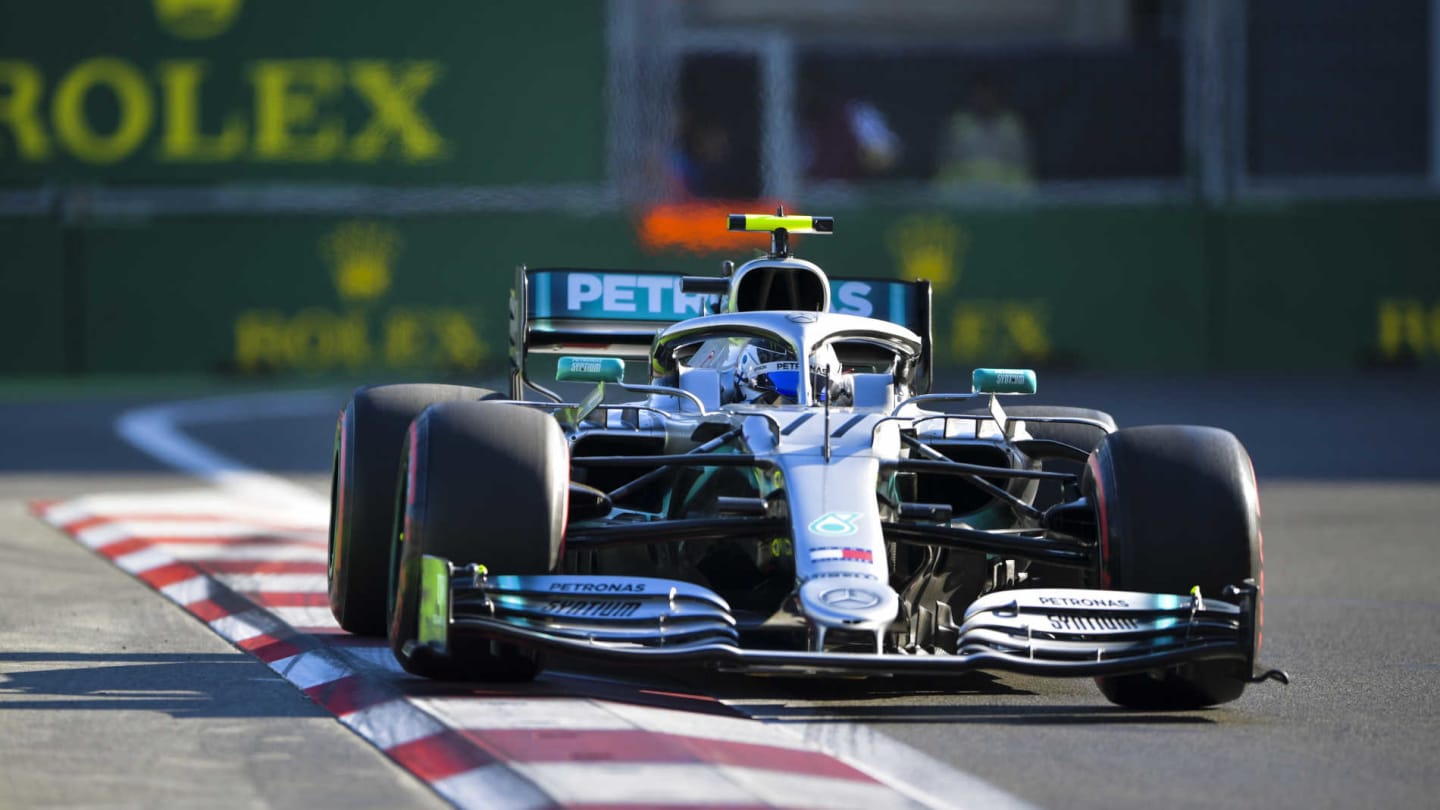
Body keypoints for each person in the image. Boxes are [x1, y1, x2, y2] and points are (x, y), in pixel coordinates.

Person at [934, 74, 1034, 190]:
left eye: (988, 94)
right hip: (962, 198)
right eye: (979, 94)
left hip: (1006, 199)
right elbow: (944, 171)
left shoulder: (1013, 126)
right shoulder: (956, 126)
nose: (984, 99)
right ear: (971, 96)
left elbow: (1022, 172)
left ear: (997, 96)